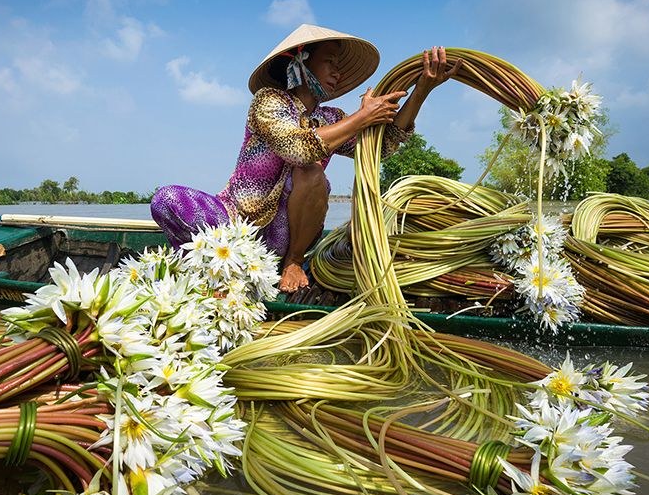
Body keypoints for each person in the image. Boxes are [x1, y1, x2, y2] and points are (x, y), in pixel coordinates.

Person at [151, 24, 460, 293]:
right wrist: (362, 116)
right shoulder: (269, 101)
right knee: (166, 199)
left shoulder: (332, 119)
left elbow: (383, 146)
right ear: (299, 62)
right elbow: (297, 147)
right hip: (234, 223)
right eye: (329, 62)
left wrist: (422, 89)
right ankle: (210, 270)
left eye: (339, 64)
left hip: (284, 239)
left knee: (312, 174)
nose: (337, 72)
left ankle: (293, 265)